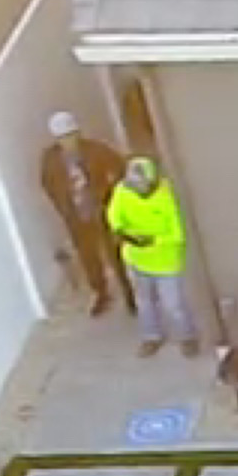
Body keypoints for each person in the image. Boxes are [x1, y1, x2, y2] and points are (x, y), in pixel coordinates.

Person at [105, 155, 199, 359]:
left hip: (165, 262)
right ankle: (151, 337)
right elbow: (113, 215)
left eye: (143, 188)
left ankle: (187, 337)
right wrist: (122, 232)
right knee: (144, 302)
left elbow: (177, 234)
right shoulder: (122, 191)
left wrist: (151, 241)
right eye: (134, 187)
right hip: (135, 259)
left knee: (173, 305)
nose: (139, 191)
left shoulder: (166, 197)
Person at [37, 113, 130, 318]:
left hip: (101, 209)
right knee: (89, 257)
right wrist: (61, 204)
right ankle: (101, 292)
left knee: (114, 251)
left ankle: (128, 291)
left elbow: (120, 166)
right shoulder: (51, 159)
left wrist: (111, 191)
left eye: (71, 135)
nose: (68, 141)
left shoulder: (94, 150)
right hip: (76, 216)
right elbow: (47, 182)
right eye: (63, 137)